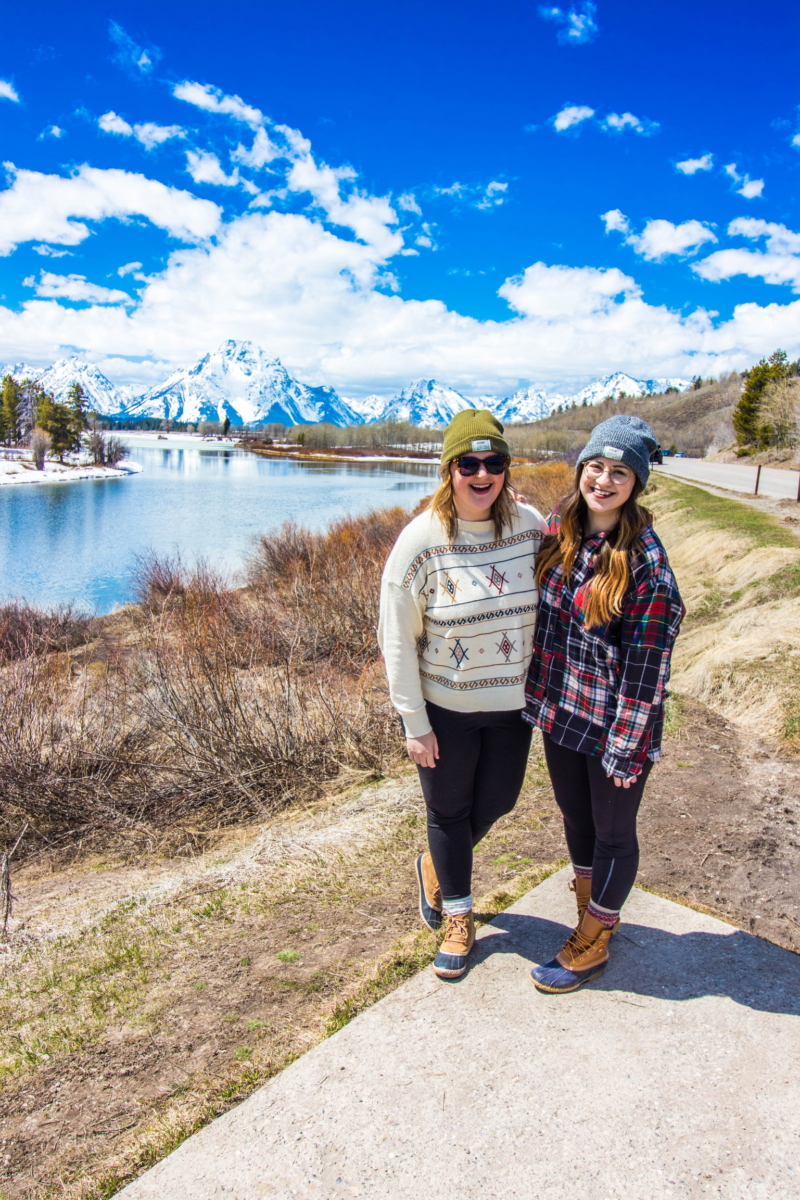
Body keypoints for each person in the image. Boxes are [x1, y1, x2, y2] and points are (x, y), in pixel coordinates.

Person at [378, 409, 547, 979]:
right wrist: (413, 722)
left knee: (498, 801)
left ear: (505, 467)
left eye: (493, 463)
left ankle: (435, 863)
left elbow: (574, 564)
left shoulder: (530, 526)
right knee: (448, 811)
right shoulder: (420, 542)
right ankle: (457, 914)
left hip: (512, 707)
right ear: (449, 469)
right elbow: (397, 640)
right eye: (468, 464)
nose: (482, 475)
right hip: (446, 710)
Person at [523, 414, 684, 995]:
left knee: (613, 833)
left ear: (636, 483)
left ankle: (593, 940)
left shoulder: (646, 565)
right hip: (560, 709)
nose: (605, 481)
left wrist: (626, 745)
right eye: (596, 467)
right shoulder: (561, 529)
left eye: (620, 472)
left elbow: (647, 674)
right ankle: (591, 910)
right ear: (581, 470)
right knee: (576, 817)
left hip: (616, 724)